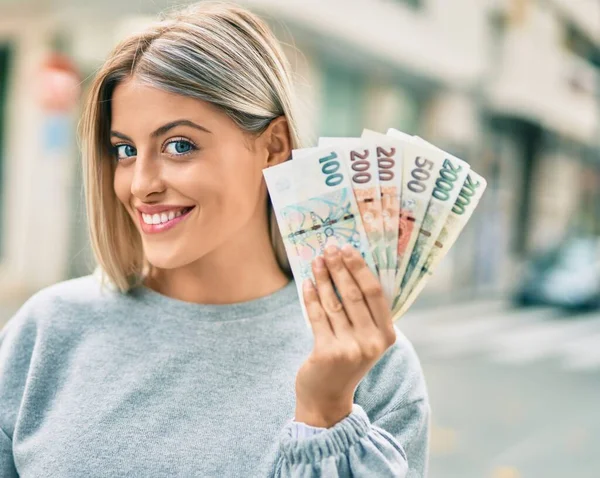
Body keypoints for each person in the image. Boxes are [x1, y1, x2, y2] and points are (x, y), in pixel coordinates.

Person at [0, 2, 430, 476]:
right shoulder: (46, 332)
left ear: (273, 147)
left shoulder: (370, 364)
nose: (141, 184)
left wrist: (325, 415)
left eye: (179, 145)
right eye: (124, 150)